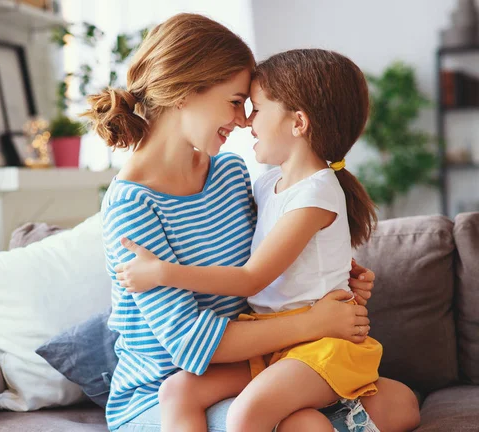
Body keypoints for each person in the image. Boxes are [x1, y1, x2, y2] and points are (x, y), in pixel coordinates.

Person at [83, 13, 419, 432]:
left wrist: (339, 277)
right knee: (299, 423)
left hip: (259, 363)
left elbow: (279, 251)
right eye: (235, 101)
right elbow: (190, 343)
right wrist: (314, 322)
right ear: (185, 92)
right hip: (163, 392)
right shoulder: (131, 204)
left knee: (400, 401)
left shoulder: (231, 172)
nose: (244, 120)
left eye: (250, 107)